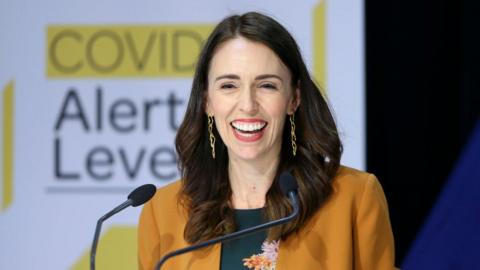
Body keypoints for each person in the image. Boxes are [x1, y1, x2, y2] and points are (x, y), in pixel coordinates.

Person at [138, 12, 395, 270]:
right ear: (207, 101)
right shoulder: (162, 212)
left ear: (293, 99)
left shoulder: (354, 198)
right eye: (229, 85)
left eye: (267, 85)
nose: (248, 105)